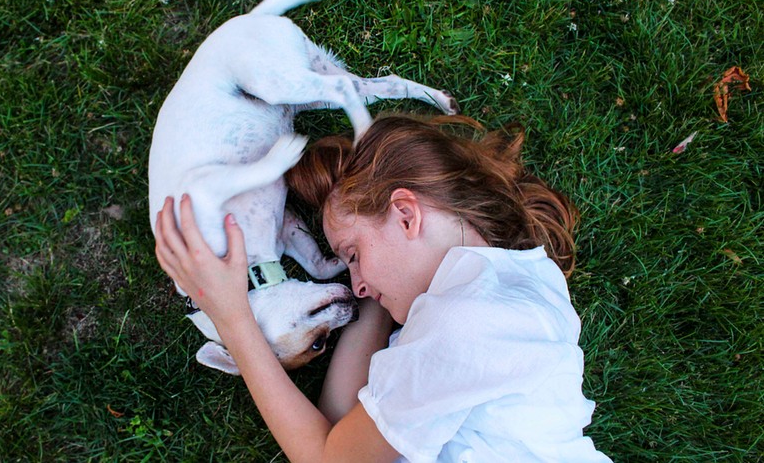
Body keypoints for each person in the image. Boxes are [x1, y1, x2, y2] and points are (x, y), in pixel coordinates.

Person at [154, 115, 612, 463]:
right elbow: (340, 426)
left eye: (351, 254)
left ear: (407, 215)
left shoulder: (468, 322)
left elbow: (329, 457)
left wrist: (234, 317)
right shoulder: (509, 286)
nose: (353, 282)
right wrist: (377, 294)